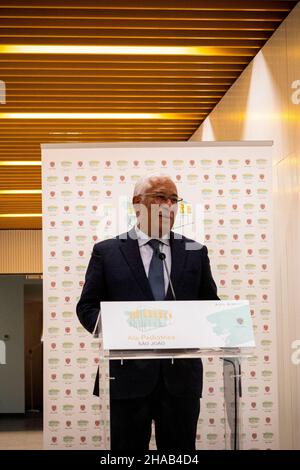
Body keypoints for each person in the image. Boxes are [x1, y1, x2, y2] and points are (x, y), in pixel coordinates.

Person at [76, 174, 219, 451]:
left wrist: (226, 322)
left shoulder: (195, 251)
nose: (168, 205)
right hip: (125, 377)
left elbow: (209, 305)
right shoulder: (107, 252)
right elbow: (87, 307)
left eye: (173, 199)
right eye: (160, 197)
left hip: (181, 381)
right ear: (137, 204)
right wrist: (116, 329)